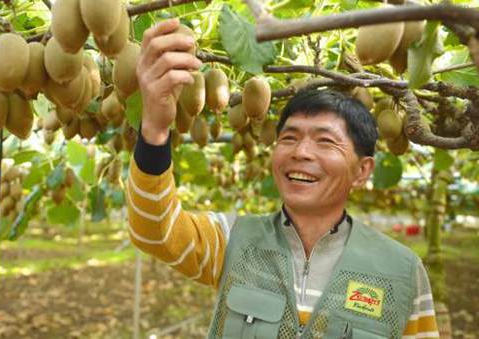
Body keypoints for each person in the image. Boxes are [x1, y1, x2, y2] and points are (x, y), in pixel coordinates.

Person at [126, 18, 440, 338]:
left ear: (362, 171)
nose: (300, 152)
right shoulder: (231, 241)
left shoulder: (401, 272)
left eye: (324, 141)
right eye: (289, 138)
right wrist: (154, 129)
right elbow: (154, 231)